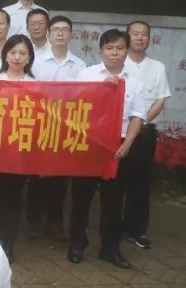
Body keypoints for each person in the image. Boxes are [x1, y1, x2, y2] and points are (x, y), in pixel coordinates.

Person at [68, 29, 145, 269]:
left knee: (113, 200)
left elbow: (137, 116)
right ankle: (77, 244)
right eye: (110, 48)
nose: (114, 53)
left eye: (120, 48)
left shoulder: (135, 81)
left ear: (126, 51)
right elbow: (75, 106)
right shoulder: (87, 74)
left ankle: (110, 249)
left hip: (119, 146)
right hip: (89, 144)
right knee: (81, 197)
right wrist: (99, 90)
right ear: (101, 50)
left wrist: (127, 144)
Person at [28, 15, 86, 240]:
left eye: (65, 30)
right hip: (39, 124)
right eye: (56, 30)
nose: (60, 33)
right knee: (36, 175)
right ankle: (33, 220)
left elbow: (84, 96)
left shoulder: (79, 65)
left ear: (71, 35)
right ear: (48, 34)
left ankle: (55, 221)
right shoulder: (35, 61)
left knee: (60, 177)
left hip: (65, 127)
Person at [0, 35, 37, 260]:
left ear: (29, 58)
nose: (17, 57)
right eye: (13, 52)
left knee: (14, 196)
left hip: (21, 151)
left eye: (22, 53)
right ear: (5, 55)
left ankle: (8, 240)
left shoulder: (35, 85)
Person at [122, 20, 170, 250]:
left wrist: (141, 122)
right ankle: (112, 228)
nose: (140, 38)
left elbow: (161, 99)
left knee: (140, 183)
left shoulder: (157, 67)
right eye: (135, 34)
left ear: (149, 39)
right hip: (119, 132)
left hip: (145, 132)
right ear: (127, 36)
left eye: (144, 34)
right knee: (115, 182)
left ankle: (136, 230)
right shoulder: (118, 63)